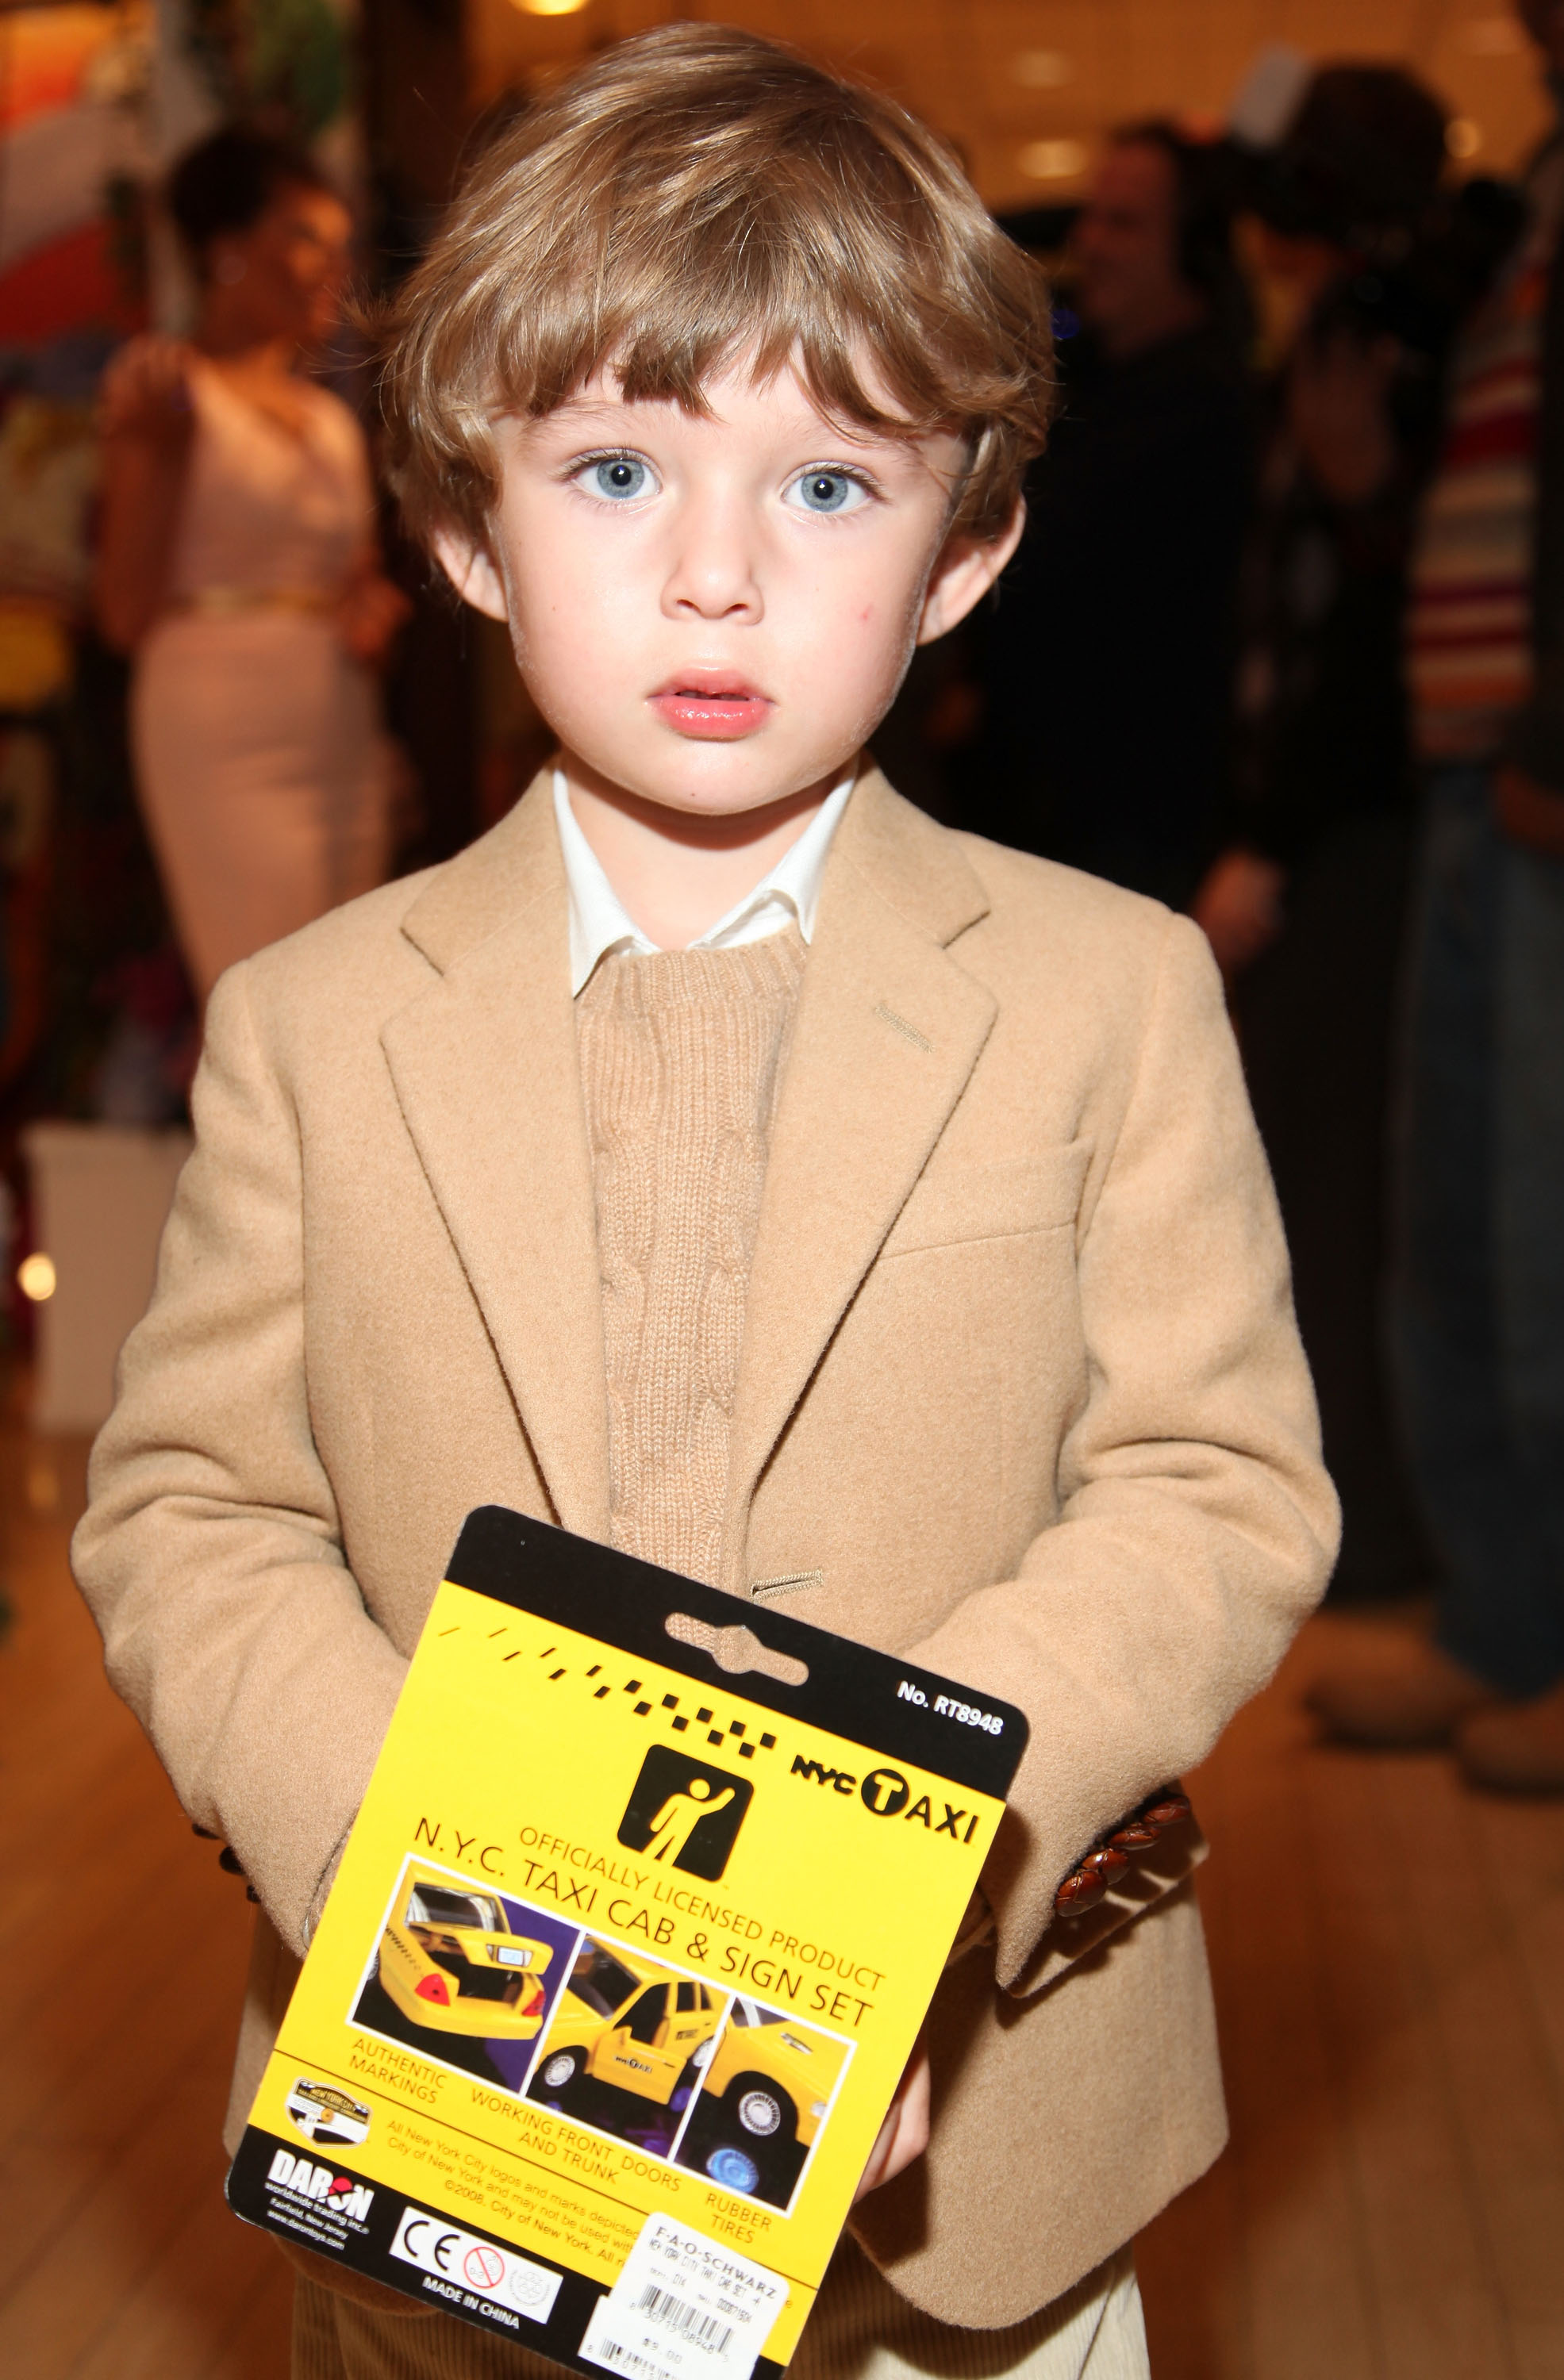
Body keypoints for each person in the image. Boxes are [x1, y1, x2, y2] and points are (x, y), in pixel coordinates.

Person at [71, 29, 1337, 2380]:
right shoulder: (317, 1024)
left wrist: (919, 1856)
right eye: (623, 465)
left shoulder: (1109, 991)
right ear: (466, 529)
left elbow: (1215, 1475)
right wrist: (377, 1820)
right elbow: (188, 1500)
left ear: (965, 551)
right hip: (458, 2121)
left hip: (987, 2177)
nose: (723, 573)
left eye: (833, 487)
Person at [1308, 1, 1564, 1787]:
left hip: (1542, 767)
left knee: (1543, 1235)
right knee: (1459, 1226)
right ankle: (1500, 1621)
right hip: (1470, 770)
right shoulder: (1535, 194)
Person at [1193, 64, 1458, 1607]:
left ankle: (1378, 1533)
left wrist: (1273, 842)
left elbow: (1367, 645)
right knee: (1325, 1180)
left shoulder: (1387, 349)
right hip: (1337, 828)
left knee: (1345, 1187)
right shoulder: (1345, 338)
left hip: (1361, 839)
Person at [94, 126, 409, 1004]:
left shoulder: (333, 422)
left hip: (338, 726)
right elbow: (123, 612)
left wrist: (370, 618)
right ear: (227, 251)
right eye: (308, 238)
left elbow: (355, 592)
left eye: (343, 247)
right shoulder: (167, 384)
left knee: (352, 1004)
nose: (333, 267)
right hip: (221, 730)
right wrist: (155, 448)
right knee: (266, 1005)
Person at [970, 121, 1251, 907]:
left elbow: (1044, 556)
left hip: (1131, 819)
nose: (1089, 242)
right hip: (1054, 803)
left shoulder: (1202, 406)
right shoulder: (1096, 375)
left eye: (1122, 222)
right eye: (1086, 216)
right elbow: (976, 248)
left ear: (1194, 249)